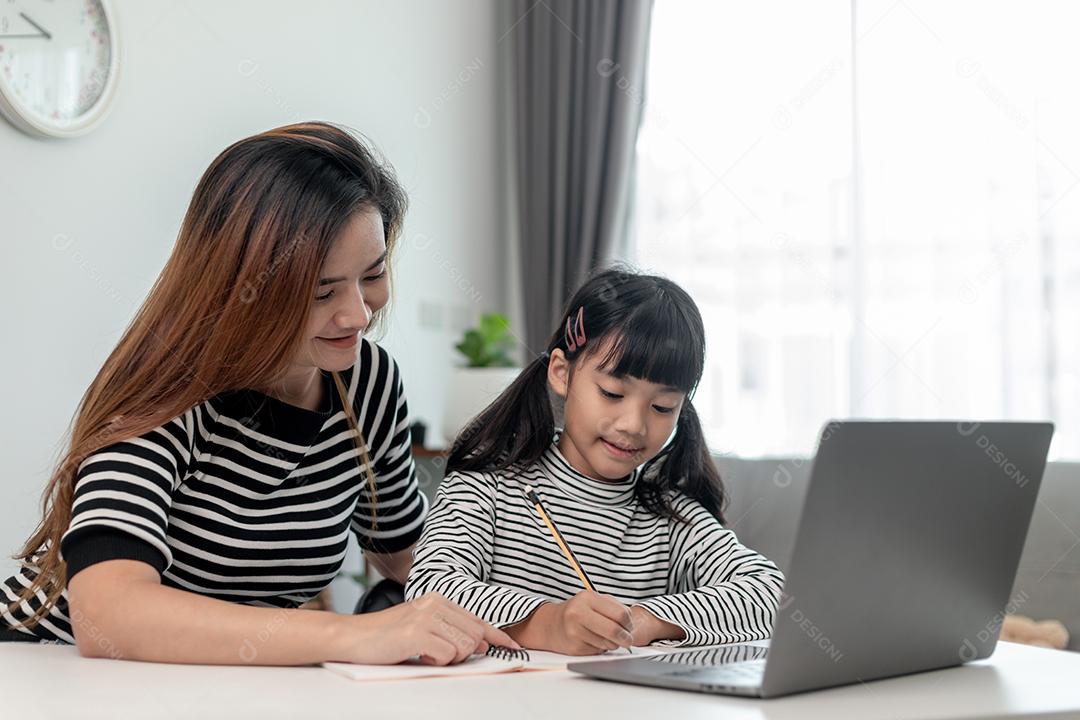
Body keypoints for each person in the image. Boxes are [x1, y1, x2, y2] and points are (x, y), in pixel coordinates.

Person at [1, 122, 517, 666]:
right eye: (322, 291)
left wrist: (533, 618)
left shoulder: (367, 382)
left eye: (373, 273)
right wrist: (351, 635)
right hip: (41, 671)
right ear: (246, 287)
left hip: (212, 687)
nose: (358, 314)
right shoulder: (167, 396)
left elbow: (410, 558)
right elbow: (106, 615)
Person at [406, 268, 785, 654]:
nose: (634, 425)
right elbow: (429, 590)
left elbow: (771, 594)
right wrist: (546, 625)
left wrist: (642, 620)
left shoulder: (670, 514)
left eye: (661, 406)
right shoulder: (487, 485)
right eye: (612, 393)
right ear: (561, 373)